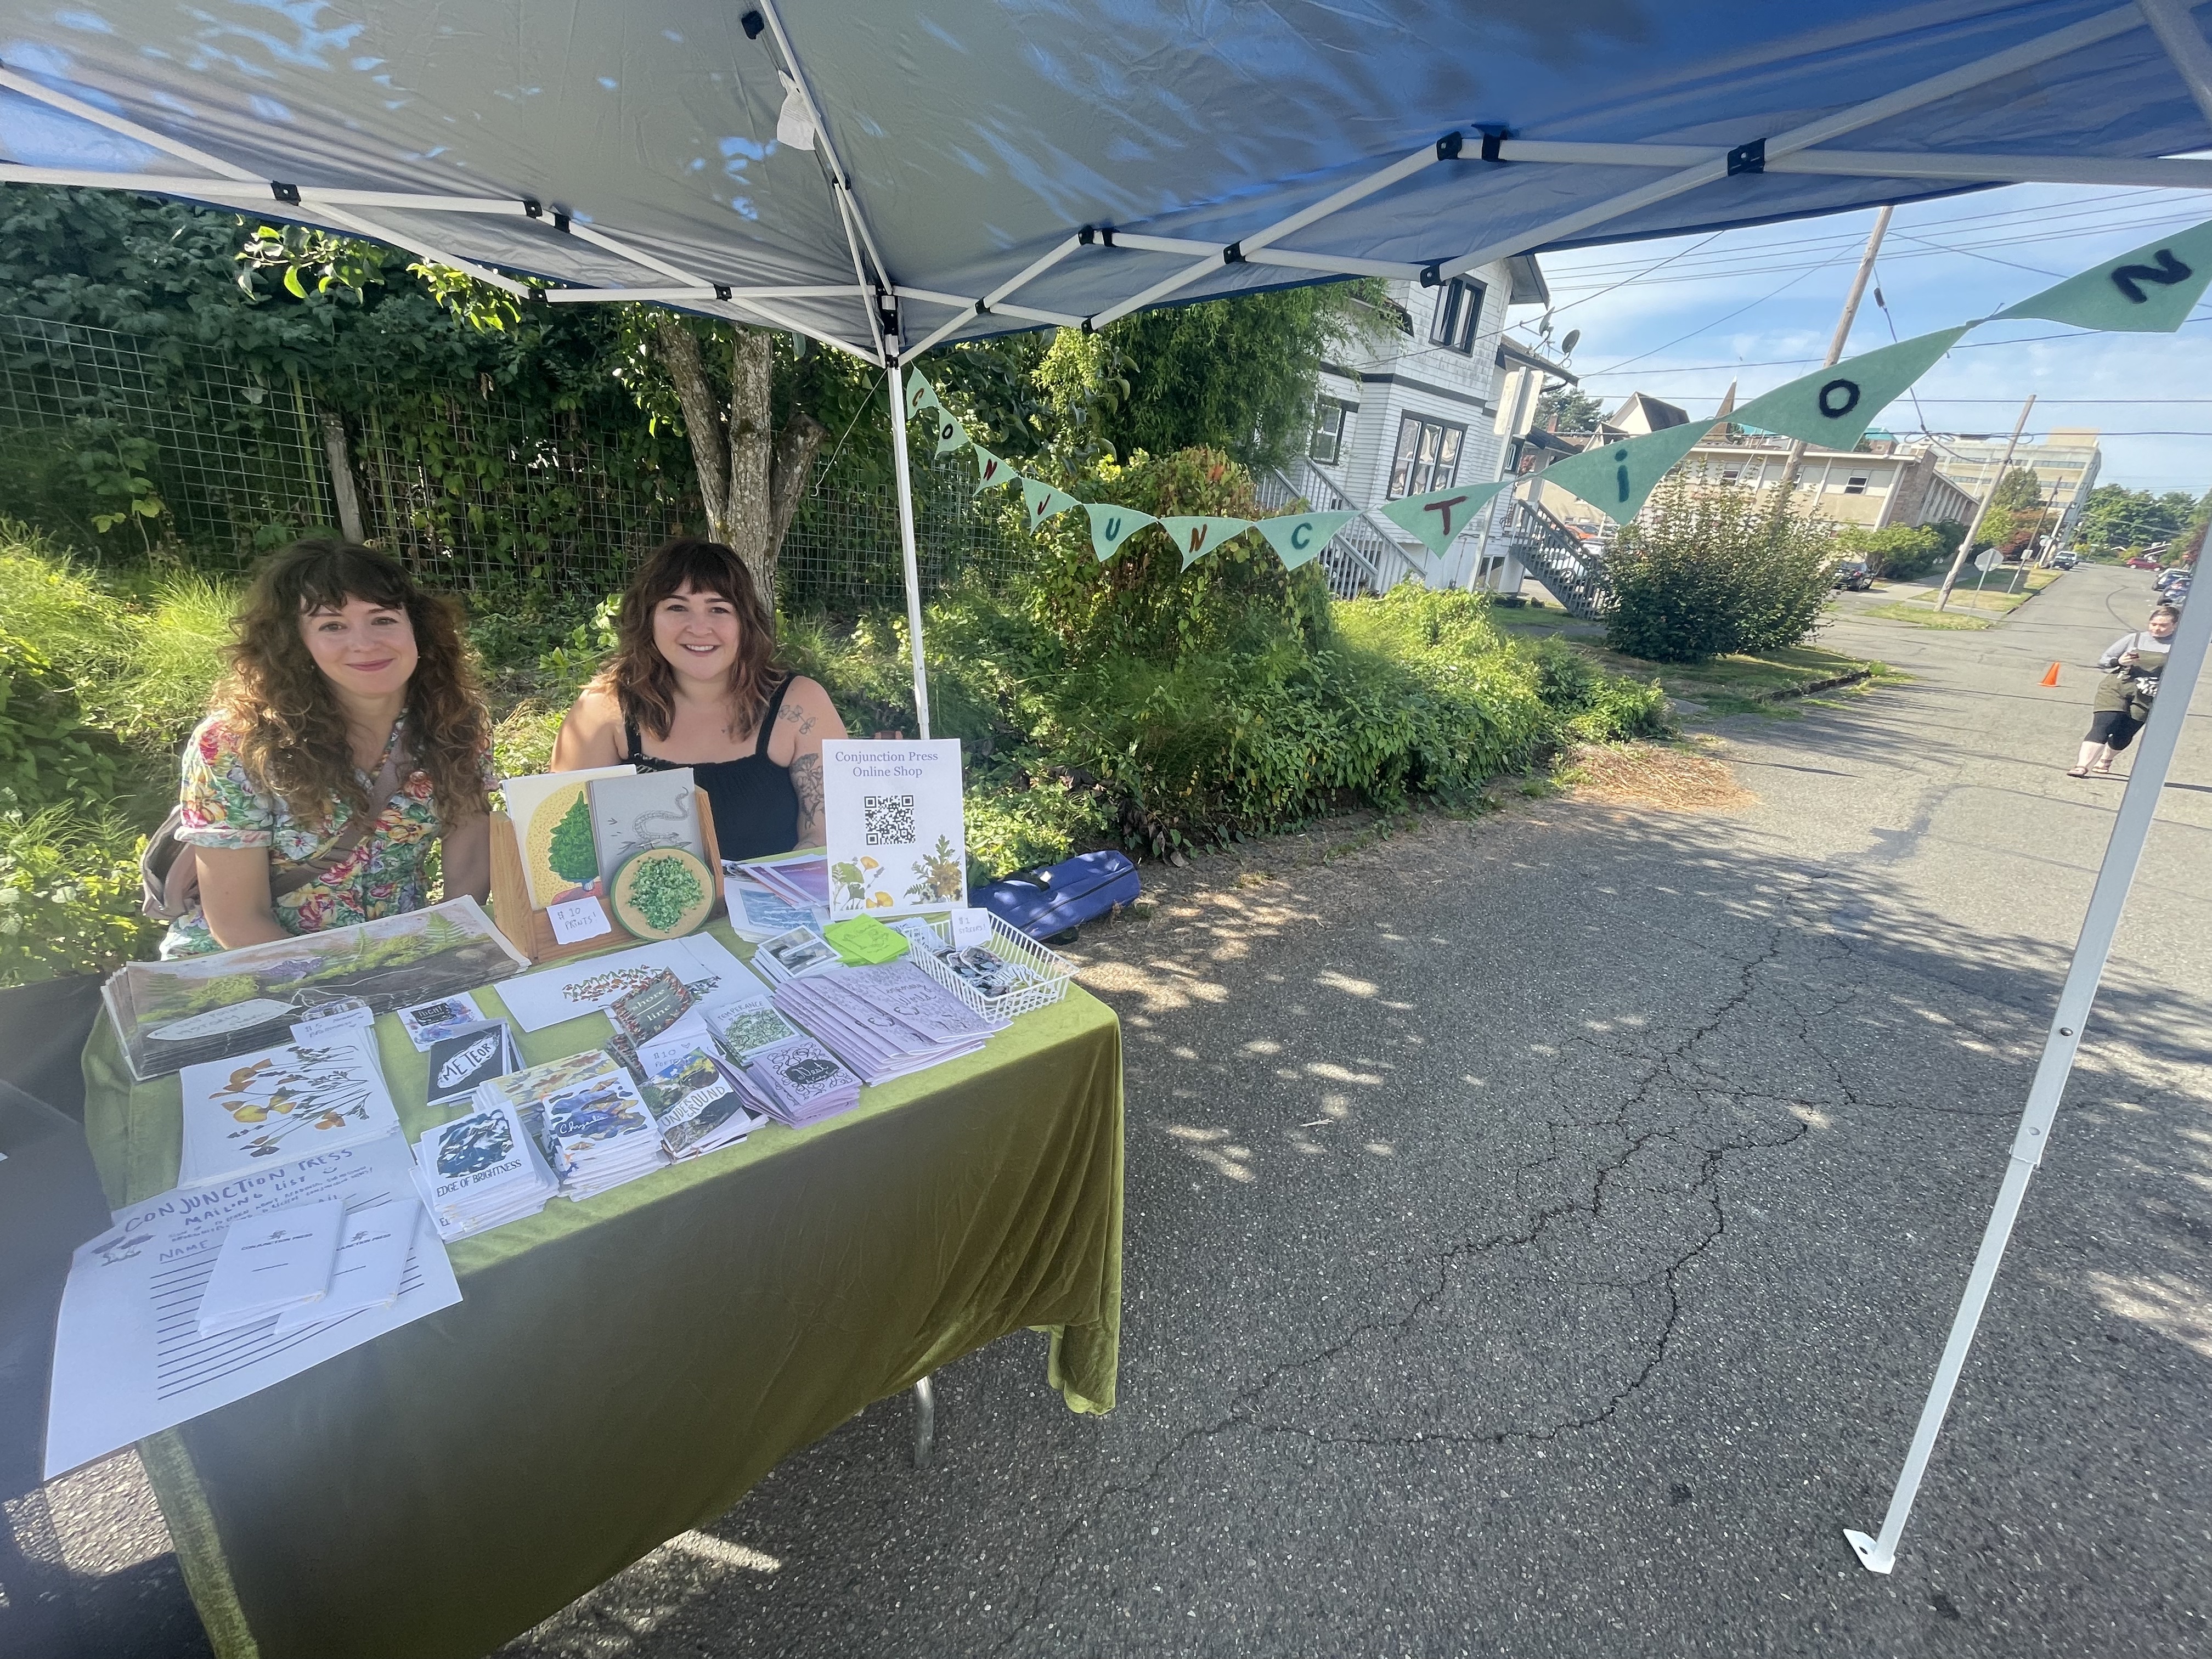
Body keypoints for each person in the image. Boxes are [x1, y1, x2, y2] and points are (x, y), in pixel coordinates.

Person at [162, 540, 494, 957]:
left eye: (383, 619)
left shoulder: (456, 723)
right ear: (294, 643)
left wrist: (444, 947)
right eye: (332, 626)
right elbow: (237, 919)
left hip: (401, 956)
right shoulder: (235, 743)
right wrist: (351, 987)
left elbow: (468, 865)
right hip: (255, 967)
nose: (365, 643)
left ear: (417, 629)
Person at [551, 538, 847, 858]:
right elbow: (569, 845)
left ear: (745, 623)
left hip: (780, 906)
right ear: (648, 618)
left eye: (718, 609)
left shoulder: (799, 704)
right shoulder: (603, 709)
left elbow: (830, 841)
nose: (699, 628)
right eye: (677, 607)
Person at [2069, 604, 2180, 777]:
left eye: (2163, 625)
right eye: (2154, 624)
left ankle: (2106, 759)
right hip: (2118, 685)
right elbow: (2104, 660)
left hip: (2147, 694)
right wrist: (2119, 661)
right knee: (2104, 724)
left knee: (2124, 733)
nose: (2157, 629)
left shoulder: (2180, 646)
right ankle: (2082, 766)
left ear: (2175, 626)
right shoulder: (2134, 639)